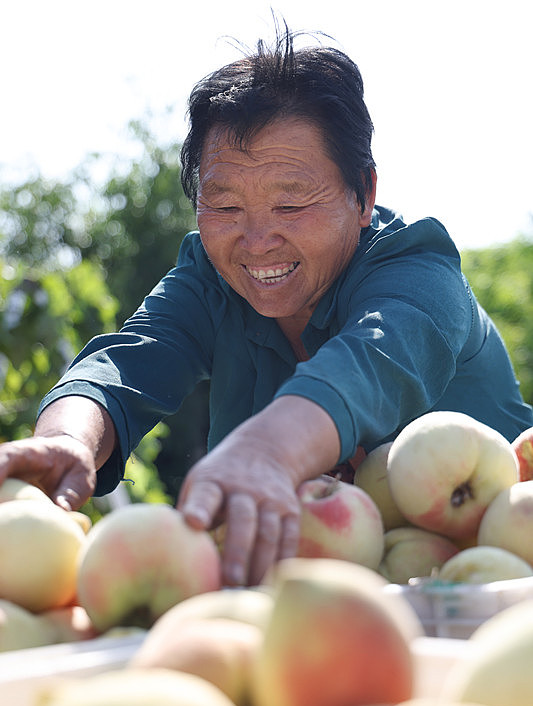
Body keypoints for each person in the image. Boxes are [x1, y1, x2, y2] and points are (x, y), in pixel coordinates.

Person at [1, 25, 532, 587]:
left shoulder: (420, 278)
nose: (256, 242)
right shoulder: (210, 281)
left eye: (291, 203)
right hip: (308, 620)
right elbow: (128, 362)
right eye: (225, 206)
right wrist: (67, 440)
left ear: (364, 195)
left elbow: (369, 364)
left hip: (494, 596)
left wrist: (267, 449)